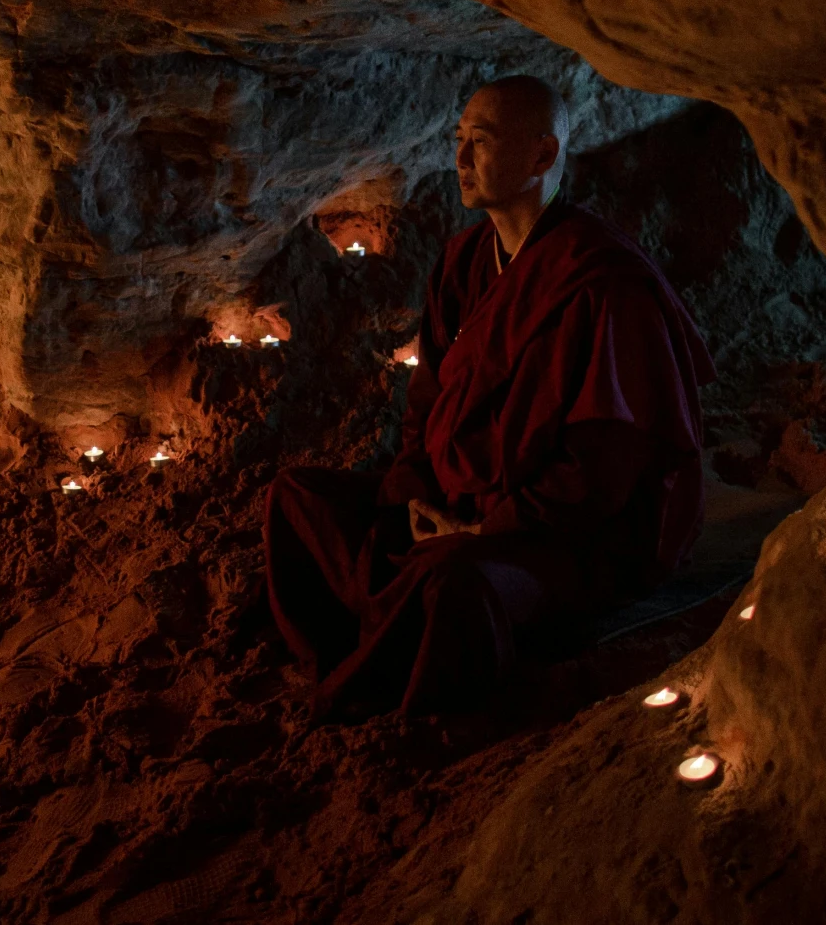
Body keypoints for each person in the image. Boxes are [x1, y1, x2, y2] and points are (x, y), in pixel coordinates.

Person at [264, 74, 711, 717]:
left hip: (557, 536)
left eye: (482, 140)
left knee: (453, 584)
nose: (461, 159)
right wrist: (417, 491)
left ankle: (387, 683)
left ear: (542, 156)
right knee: (297, 498)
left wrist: (486, 529)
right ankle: (369, 642)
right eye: (459, 139)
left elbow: (605, 465)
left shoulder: (602, 283)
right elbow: (428, 392)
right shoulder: (464, 260)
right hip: (454, 497)